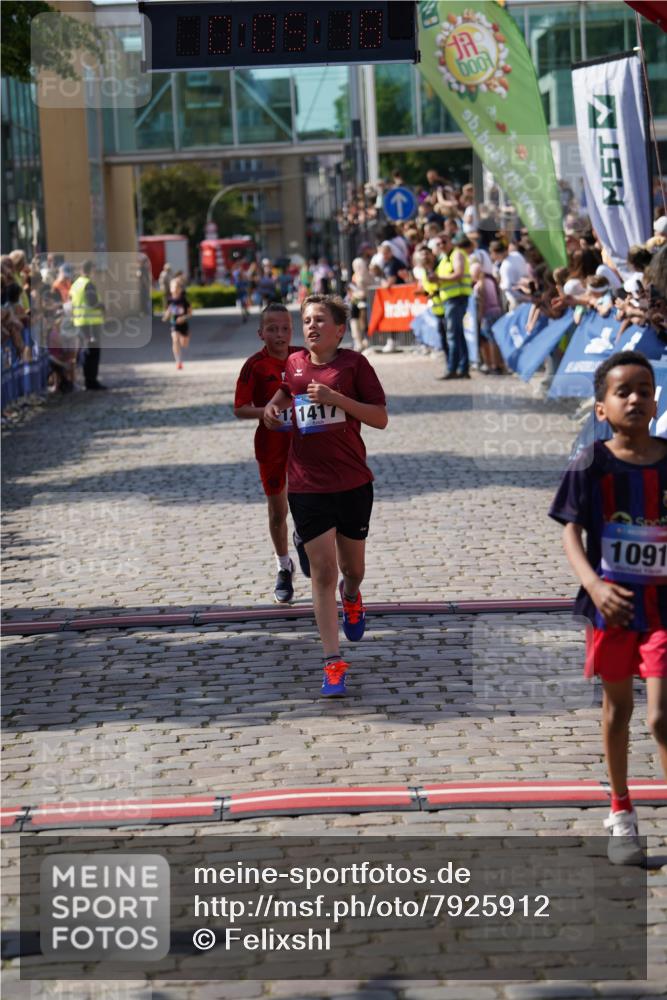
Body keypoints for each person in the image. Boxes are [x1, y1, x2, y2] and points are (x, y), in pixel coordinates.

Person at [549, 351, 667, 866]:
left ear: (657, 399)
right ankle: (621, 811)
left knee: (662, 716)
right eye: (624, 391)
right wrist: (594, 585)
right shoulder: (591, 464)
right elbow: (570, 531)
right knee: (618, 710)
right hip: (612, 610)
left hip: (663, 610)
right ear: (602, 409)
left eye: (644, 388)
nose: (636, 398)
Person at [263, 294, 388, 697]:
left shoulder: (355, 365)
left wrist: (337, 400)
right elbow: (287, 390)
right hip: (306, 484)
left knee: (352, 571)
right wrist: (272, 407)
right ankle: (333, 662)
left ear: (339, 329)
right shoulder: (295, 364)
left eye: (320, 320)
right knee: (322, 572)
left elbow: (380, 417)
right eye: (307, 320)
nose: (311, 326)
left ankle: (352, 598)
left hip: (352, 483)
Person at [234, 304, 309, 604]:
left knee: (308, 504)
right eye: (272, 329)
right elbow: (239, 408)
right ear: (261, 333)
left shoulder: (304, 357)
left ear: (292, 330)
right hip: (271, 445)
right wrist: (265, 411)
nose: (279, 334)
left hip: (307, 444)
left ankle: (305, 539)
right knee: (279, 512)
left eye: (285, 328)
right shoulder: (254, 365)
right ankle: (283, 566)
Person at [436, 233, 473, 380]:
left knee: (452, 334)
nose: (441, 245)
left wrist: (438, 278)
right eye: (438, 244)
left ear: (450, 241)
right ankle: (463, 368)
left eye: (444, 242)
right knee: (457, 334)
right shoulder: (444, 259)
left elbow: (457, 274)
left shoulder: (457, 254)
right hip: (450, 299)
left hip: (457, 298)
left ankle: (452, 369)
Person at [70, 260, 106, 390]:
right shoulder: (88, 284)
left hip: (80, 322)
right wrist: (102, 306)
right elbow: (92, 302)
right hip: (91, 323)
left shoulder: (75, 284)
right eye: (94, 270)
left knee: (86, 352)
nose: (95, 273)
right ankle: (91, 381)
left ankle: (88, 380)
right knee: (93, 352)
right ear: (90, 269)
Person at [162, 277, 192, 370]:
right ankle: (178, 361)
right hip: (174, 324)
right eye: (173, 287)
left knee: (184, 344)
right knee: (175, 340)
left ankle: (187, 335)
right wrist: (166, 315)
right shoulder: (169, 300)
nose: (175, 289)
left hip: (184, 325)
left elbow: (190, 314)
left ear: (180, 289)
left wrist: (183, 317)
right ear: (170, 289)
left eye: (177, 287)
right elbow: (167, 313)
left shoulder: (184, 301)